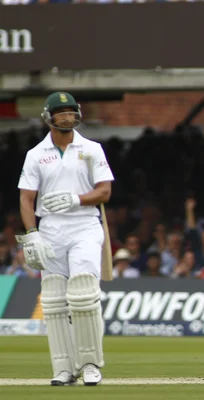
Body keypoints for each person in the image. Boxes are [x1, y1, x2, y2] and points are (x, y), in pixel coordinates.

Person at [18, 91, 114, 386]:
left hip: (85, 225)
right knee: (55, 300)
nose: (67, 116)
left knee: (84, 294)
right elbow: (26, 198)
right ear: (49, 117)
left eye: (71, 111)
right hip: (51, 230)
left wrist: (76, 199)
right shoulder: (36, 154)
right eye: (61, 112)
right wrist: (32, 234)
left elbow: (105, 192)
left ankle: (89, 365)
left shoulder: (92, 149)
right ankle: (63, 368)